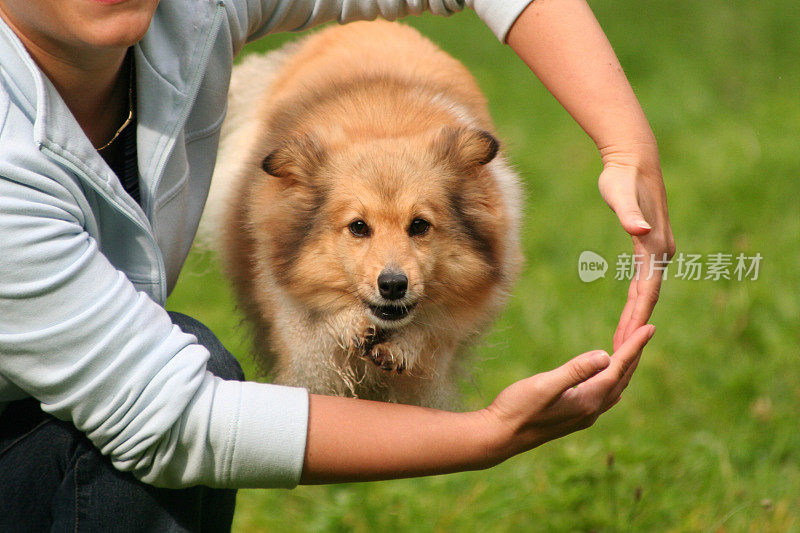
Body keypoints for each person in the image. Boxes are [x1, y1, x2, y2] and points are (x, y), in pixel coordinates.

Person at [0, 0, 674, 531]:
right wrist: (486, 432)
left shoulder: (181, 9)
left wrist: (627, 142)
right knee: (191, 368)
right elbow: (174, 418)